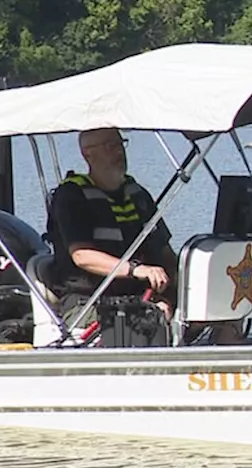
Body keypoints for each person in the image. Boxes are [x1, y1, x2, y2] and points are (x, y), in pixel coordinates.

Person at [45, 127, 179, 333]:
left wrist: (181, 286)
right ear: (87, 154)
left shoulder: (138, 195)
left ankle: (229, 357)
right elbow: (82, 256)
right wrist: (136, 270)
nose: (118, 152)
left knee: (209, 304)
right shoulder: (71, 196)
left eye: (120, 144)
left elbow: (165, 252)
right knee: (148, 318)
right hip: (87, 302)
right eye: (109, 146)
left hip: (139, 297)